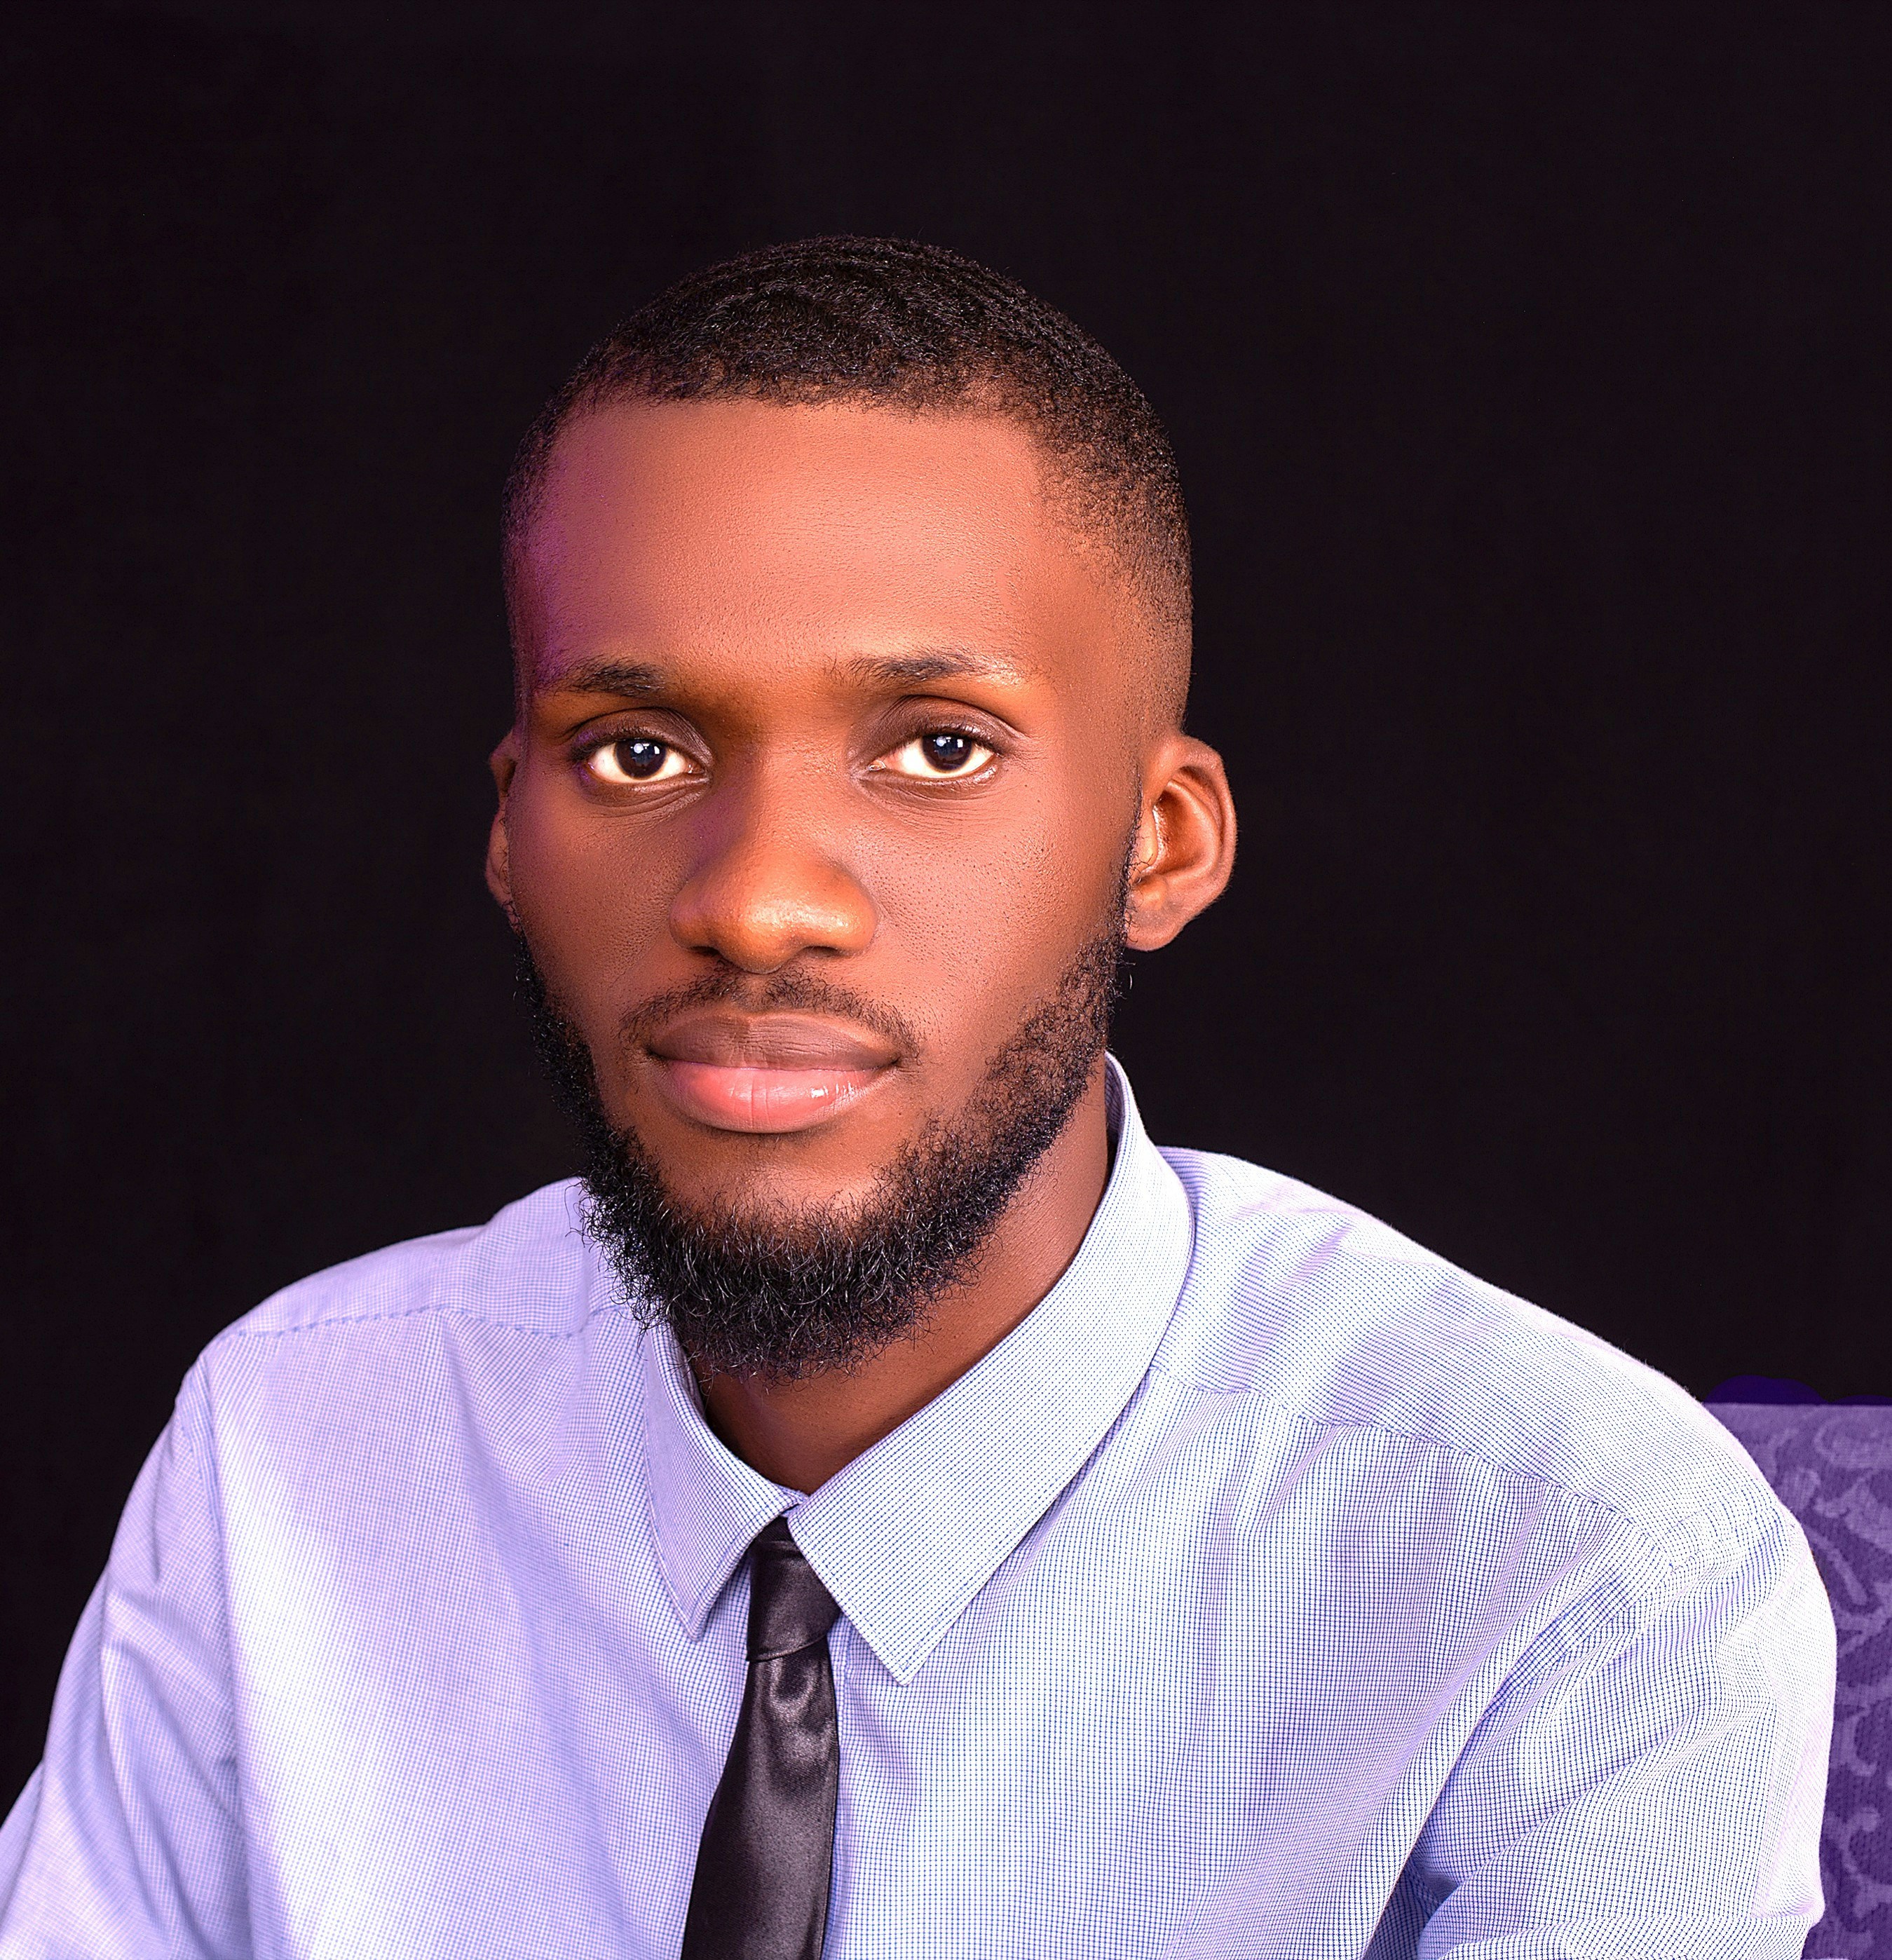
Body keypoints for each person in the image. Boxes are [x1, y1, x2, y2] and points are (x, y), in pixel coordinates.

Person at [0, 238, 1833, 1959]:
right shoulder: (293, 1439)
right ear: (508, 828)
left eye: (934, 748)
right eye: (637, 751)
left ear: (1159, 843)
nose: (754, 896)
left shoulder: (1580, 1564)